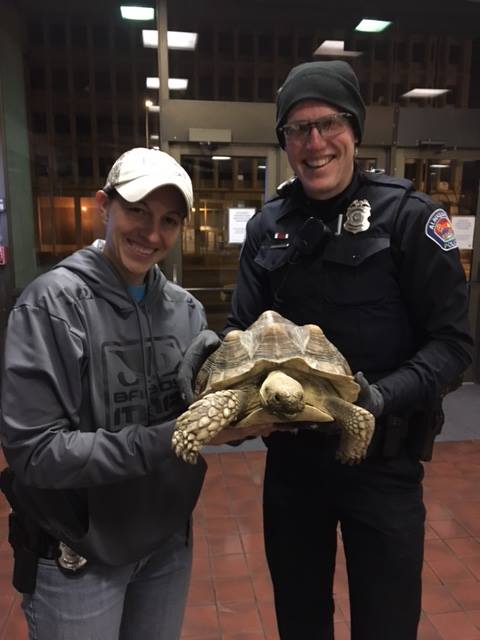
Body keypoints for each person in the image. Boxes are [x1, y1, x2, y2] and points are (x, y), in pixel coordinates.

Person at [178, 61, 473, 639]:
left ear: (355, 129)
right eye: (296, 129)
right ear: (284, 140)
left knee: (386, 622)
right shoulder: (269, 227)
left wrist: (380, 397)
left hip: (382, 460)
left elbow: (453, 344)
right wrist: (211, 353)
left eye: (329, 123)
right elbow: (241, 327)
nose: (314, 143)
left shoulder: (410, 218)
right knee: (300, 620)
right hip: (293, 466)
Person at [1, 147, 212, 640]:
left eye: (169, 220)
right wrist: (169, 438)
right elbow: (35, 453)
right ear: (104, 204)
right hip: (79, 553)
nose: (152, 234)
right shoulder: (51, 306)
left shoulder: (186, 312)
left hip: (166, 545)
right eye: (137, 211)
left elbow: (201, 414)